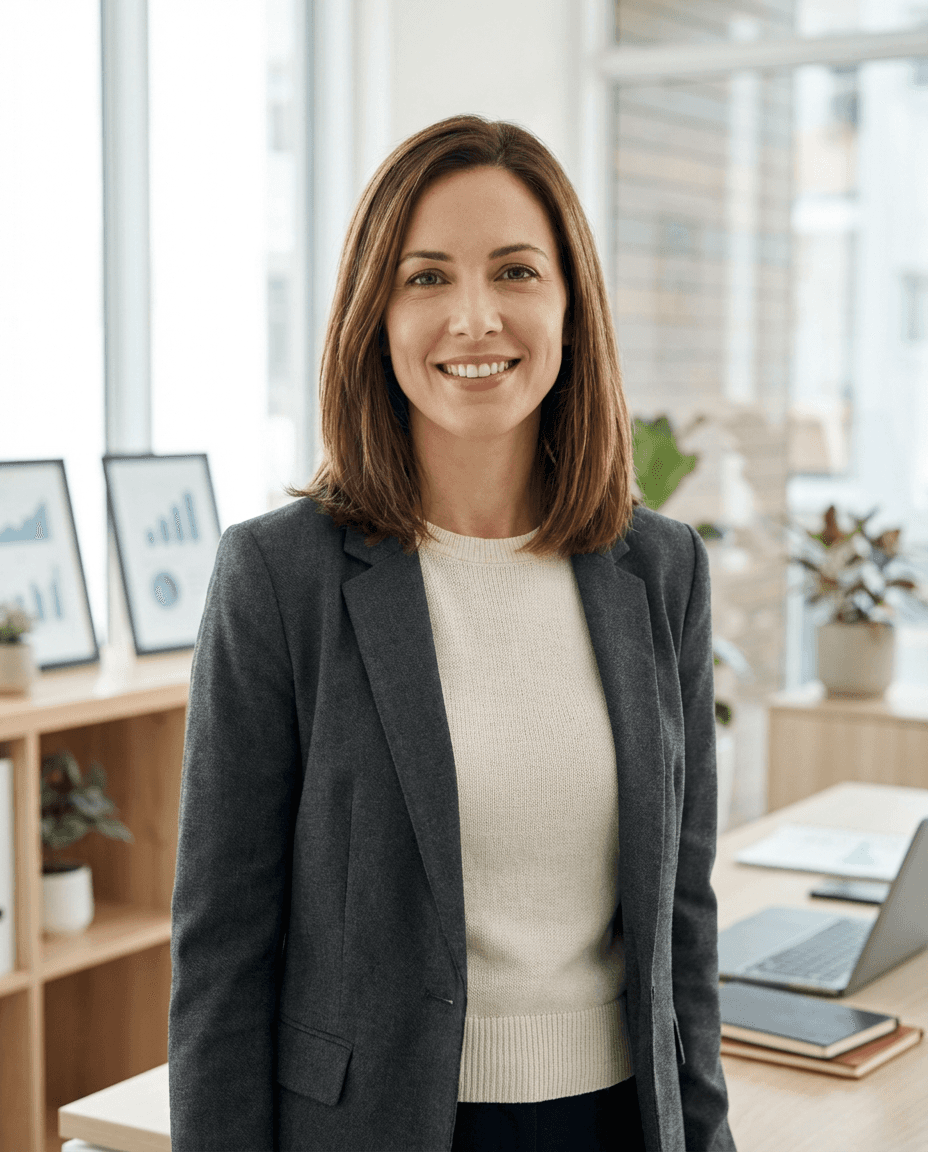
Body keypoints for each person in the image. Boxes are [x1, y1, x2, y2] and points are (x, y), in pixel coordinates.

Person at [168, 114, 736, 1152]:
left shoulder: (660, 571)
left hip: (613, 1123)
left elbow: (679, 930)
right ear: (372, 316)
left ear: (570, 304)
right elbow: (222, 959)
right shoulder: (277, 578)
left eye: (515, 271)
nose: (474, 318)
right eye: (426, 278)